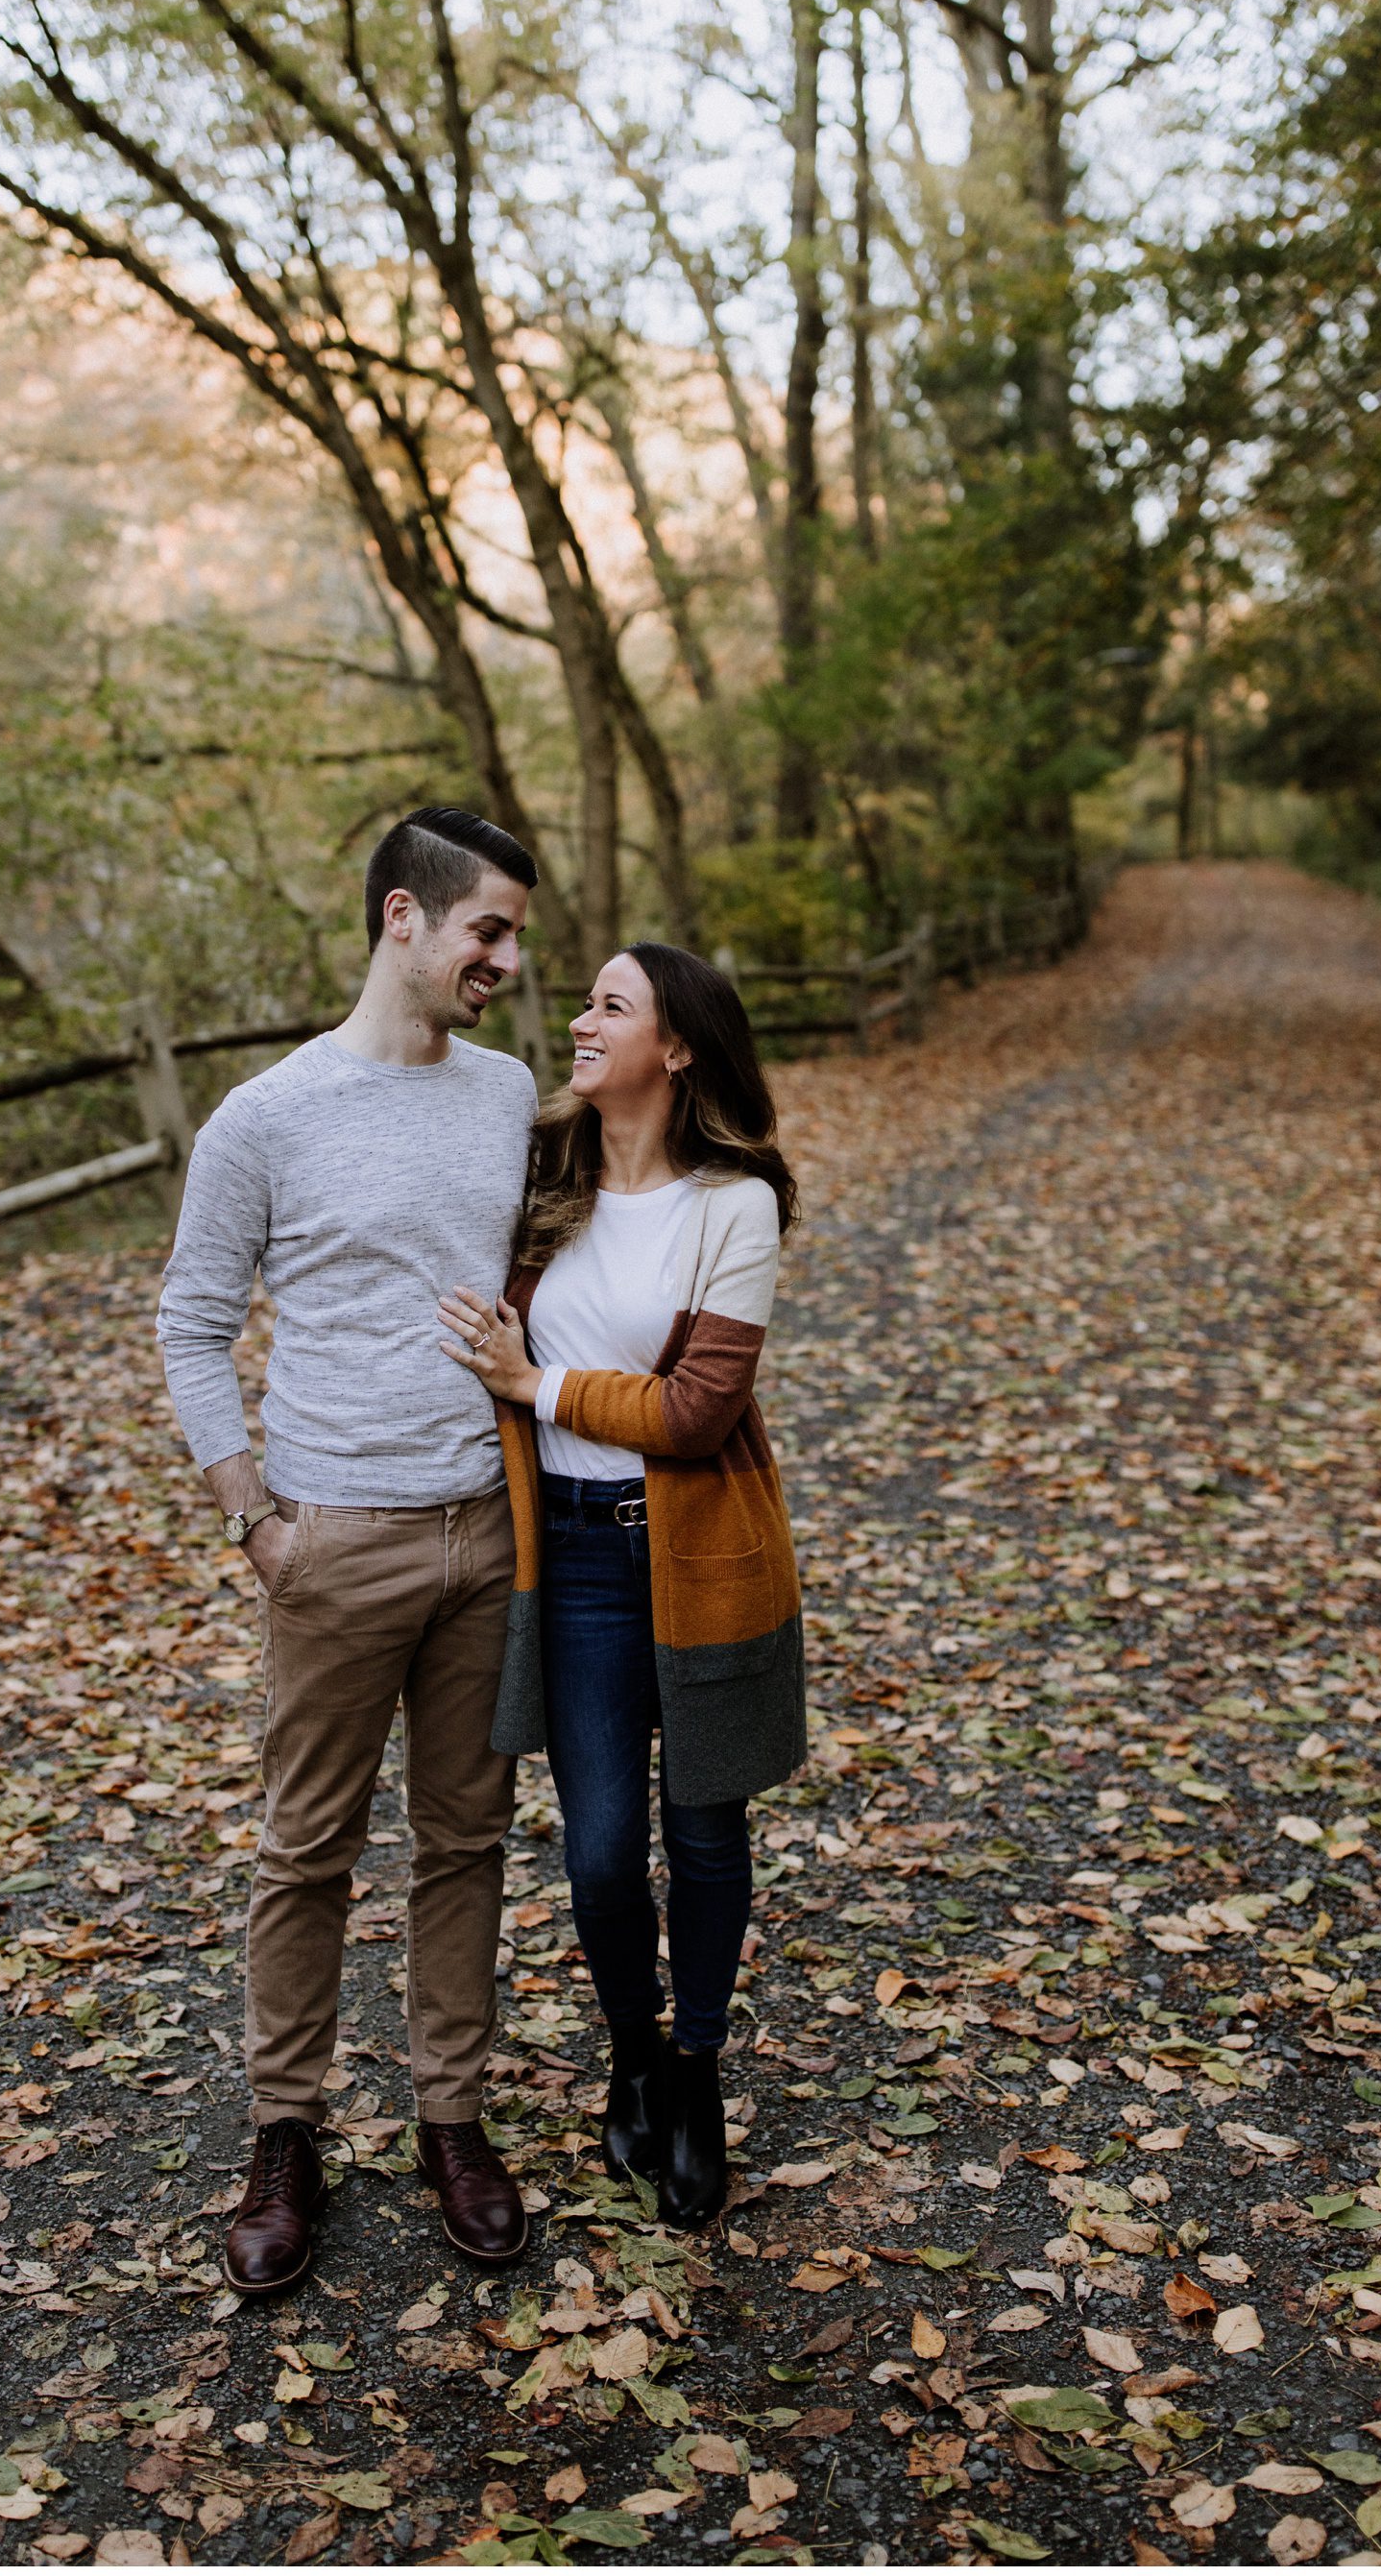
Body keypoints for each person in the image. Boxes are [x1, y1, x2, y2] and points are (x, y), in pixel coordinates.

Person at [156, 807, 542, 2295]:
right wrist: (253, 1517)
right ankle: (285, 2133)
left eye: (513, 935)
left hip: (487, 1536)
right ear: (403, 917)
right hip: (334, 1538)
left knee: (465, 1841)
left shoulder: (508, 1093)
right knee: (306, 1849)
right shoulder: (267, 1114)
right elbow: (192, 1320)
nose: (506, 959)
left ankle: (453, 2116)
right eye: (486, 930)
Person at [439, 942, 804, 2227]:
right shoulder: (547, 1173)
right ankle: (635, 2053)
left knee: (704, 1835)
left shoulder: (735, 1204)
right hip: (579, 1558)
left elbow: (700, 1411)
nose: (581, 1021)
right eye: (586, 1002)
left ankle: (696, 2078)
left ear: (681, 1045)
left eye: (611, 1004)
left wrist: (536, 1385)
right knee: (599, 1857)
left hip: (696, 1549)